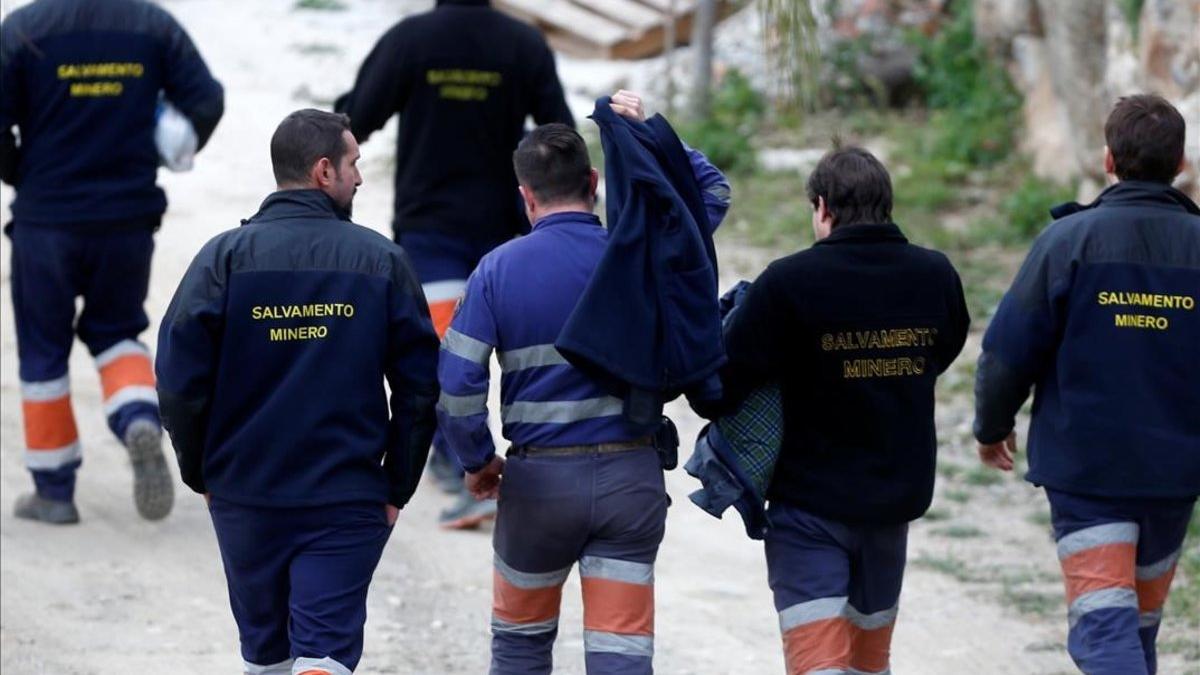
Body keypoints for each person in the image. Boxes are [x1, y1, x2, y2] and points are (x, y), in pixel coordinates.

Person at [437, 92, 730, 675]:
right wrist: (649, 131)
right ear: (593, 181)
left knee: (520, 648)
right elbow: (711, 196)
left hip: (537, 488)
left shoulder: (498, 269)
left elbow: (456, 382)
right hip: (630, 482)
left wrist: (475, 459)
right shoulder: (641, 256)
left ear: (525, 196)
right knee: (620, 655)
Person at [156, 109, 440, 675]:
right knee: (325, 653)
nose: (360, 176)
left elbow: (178, 380)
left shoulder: (223, 259)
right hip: (347, 495)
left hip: (245, 494)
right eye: (353, 163)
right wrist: (398, 485)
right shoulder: (381, 262)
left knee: (265, 653)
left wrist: (202, 473)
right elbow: (419, 388)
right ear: (322, 171)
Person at [705, 147, 969, 675]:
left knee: (819, 665)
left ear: (822, 208)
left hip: (809, 509)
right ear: (886, 207)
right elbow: (944, 348)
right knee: (870, 663)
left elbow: (718, 387)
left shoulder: (789, 282)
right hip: (892, 506)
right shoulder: (935, 273)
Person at [974, 94, 1199, 675]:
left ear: (1108, 159)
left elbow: (1006, 349)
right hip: (1175, 473)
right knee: (1134, 631)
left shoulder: (1068, 242)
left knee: (1106, 631)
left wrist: (992, 427)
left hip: (1087, 470)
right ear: (1180, 163)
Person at [335, 0, 575, 529]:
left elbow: (356, 119)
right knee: (515, 350)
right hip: (507, 228)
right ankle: (517, 463)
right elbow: (559, 132)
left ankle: (461, 462)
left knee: (446, 352)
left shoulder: (410, 40)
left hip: (430, 227)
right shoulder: (522, 42)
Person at [0, 0, 224, 524]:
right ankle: (137, 419)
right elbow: (206, 100)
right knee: (117, 331)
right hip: (125, 218)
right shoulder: (153, 24)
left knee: (43, 353)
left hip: (46, 219)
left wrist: (18, 172)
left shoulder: (25, 29)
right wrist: (164, 150)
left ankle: (54, 493)